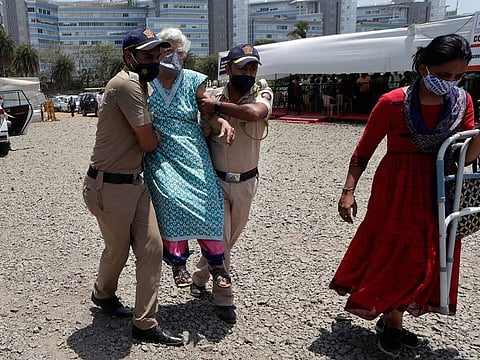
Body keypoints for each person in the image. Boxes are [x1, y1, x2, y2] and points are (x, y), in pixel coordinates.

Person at [329, 33, 474, 357]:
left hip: (440, 190)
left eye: (457, 76)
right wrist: (348, 191)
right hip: (396, 189)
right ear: (424, 68)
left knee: (431, 255)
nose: (450, 82)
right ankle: (393, 320)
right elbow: (363, 151)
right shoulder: (392, 102)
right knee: (397, 253)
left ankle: (393, 316)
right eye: (443, 75)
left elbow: (467, 154)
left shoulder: (463, 103)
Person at [82, 27, 183, 346]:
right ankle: (103, 293)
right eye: (148, 56)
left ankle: (145, 323)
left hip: (135, 183)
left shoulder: (140, 84)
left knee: (151, 248)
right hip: (108, 187)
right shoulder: (126, 85)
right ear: (129, 57)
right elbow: (149, 141)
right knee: (118, 250)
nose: (155, 61)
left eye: (158, 55)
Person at [143, 28, 235, 292]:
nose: (170, 54)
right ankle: (177, 261)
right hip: (160, 149)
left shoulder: (195, 80)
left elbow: (207, 111)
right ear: (157, 51)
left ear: (184, 54)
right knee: (169, 197)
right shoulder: (146, 83)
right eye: (165, 48)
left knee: (210, 199)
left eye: (176, 50)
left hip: (192, 148)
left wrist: (222, 122)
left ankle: (217, 264)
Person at [194, 44, 273, 324]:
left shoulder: (262, 93)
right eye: (243, 67)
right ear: (228, 69)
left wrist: (216, 108)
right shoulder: (213, 96)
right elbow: (200, 128)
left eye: (253, 67)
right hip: (215, 182)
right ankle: (224, 298)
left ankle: (201, 273)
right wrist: (213, 114)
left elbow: (254, 113)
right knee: (222, 241)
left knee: (230, 240)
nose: (249, 73)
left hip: (246, 183)